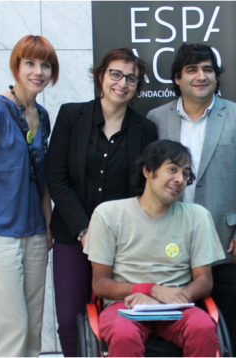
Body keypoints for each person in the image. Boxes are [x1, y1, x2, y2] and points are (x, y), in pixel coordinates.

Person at [147, 43, 236, 357]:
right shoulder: (156, 119)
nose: (201, 76)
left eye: (208, 69)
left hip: (226, 246)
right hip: (169, 247)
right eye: (192, 70)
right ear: (176, 78)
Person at [46, 48, 158, 358]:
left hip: (123, 241)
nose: (122, 83)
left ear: (138, 86)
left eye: (131, 78)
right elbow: (56, 177)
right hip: (73, 235)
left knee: (120, 317)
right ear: (101, 76)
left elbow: (144, 189)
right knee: (70, 318)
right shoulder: (71, 115)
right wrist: (84, 230)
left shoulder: (145, 129)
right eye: (116, 74)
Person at [0, 35, 59, 358]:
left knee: (32, 331)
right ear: (16, 66)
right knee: (12, 330)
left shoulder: (43, 116)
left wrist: (47, 227)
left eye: (45, 65)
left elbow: (41, 180)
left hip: (33, 235)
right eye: (30, 63)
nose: (38, 71)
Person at [83, 140, 226, 358]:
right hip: (126, 306)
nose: (180, 179)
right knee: (124, 336)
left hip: (177, 306)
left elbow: (205, 281)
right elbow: (100, 284)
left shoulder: (197, 217)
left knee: (203, 328)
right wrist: (149, 290)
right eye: (172, 169)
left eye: (186, 174)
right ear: (148, 170)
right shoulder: (109, 214)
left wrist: (175, 297)